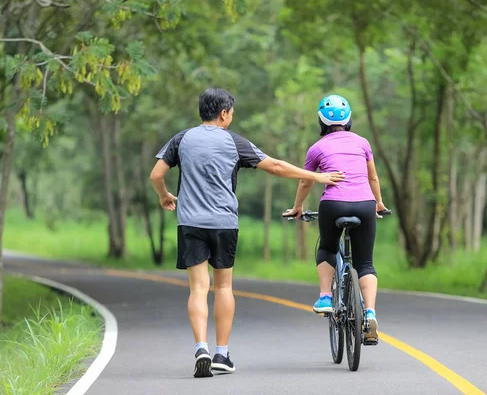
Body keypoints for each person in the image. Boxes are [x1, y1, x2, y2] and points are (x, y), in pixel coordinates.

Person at [149, 88, 345, 378]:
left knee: (198, 289)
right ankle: (221, 354)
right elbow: (276, 167)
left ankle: (201, 347)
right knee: (224, 287)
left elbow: (156, 175)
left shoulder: (181, 139)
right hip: (224, 223)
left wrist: (164, 195)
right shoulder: (233, 142)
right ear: (224, 113)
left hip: (189, 223)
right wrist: (317, 176)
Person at [284, 94, 387, 343]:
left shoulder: (316, 148)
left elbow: (305, 180)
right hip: (365, 204)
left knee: (328, 247)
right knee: (365, 263)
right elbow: (372, 178)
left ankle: (325, 297)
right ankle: (370, 314)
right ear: (349, 119)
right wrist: (379, 203)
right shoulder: (363, 143)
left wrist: (298, 207)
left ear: (321, 121)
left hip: (333, 204)